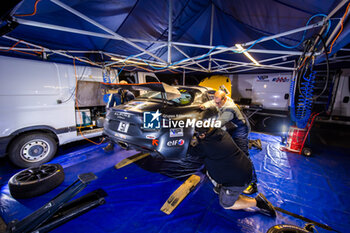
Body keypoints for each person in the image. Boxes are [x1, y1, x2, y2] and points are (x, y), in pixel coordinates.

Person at [188, 126, 276, 217]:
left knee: (226, 204)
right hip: (244, 168)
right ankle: (223, 189)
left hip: (238, 180)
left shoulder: (205, 146)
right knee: (209, 169)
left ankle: (257, 202)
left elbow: (187, 151)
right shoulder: (221, 132)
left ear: (202, 134)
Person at [200, 90, 258, 194]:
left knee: (243, 155)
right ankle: (232, 177)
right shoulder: (220, 100)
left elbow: (218, 124)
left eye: (218, 103)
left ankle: (252, 183)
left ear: (224, 99)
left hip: (240, 130)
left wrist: (204, 130)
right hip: (231, 128)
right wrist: (204, 106)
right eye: (216, 102)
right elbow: (213, 102)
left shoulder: (230, 109)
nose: (216, 104)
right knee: (228, 153)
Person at [103, 80, 135, 152]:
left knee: (126, 130)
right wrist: (109, 113)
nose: (123, 88)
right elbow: (110, 105)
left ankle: (126, 144)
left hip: (127, 115)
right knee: (113, 129)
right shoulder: (115, 94)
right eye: (121, 86)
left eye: (124, 86)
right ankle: (111, 144)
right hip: (118, 115)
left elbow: (134, 106)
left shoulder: (130, 95)